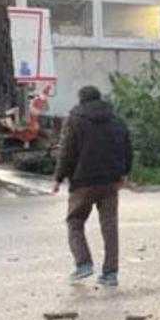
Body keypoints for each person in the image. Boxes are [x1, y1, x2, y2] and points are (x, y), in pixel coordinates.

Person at [52, 85, 133, 286]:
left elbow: (67, 152)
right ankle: (111, 273)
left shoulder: (75, 120)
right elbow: (127, 149)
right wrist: (124, 173)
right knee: (109, 226)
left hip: (83, 182)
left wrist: (58, 177)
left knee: (75, 221)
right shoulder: (117, 121)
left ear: (81, 100)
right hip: (110, 181)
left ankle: (83, 264)